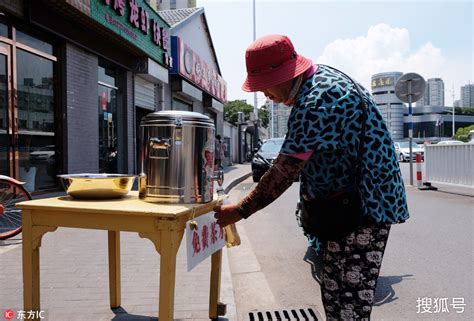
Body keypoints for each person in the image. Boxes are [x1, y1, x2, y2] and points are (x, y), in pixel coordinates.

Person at [213, 34, 409, 320]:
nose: (265, 95)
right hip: (345, 202)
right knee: (333, 289)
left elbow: (284, 171)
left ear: (281, 75)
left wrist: (241, 210)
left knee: (348, 300)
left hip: (363, 208)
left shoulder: (317, 101)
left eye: (264, 87)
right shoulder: (321, 81)